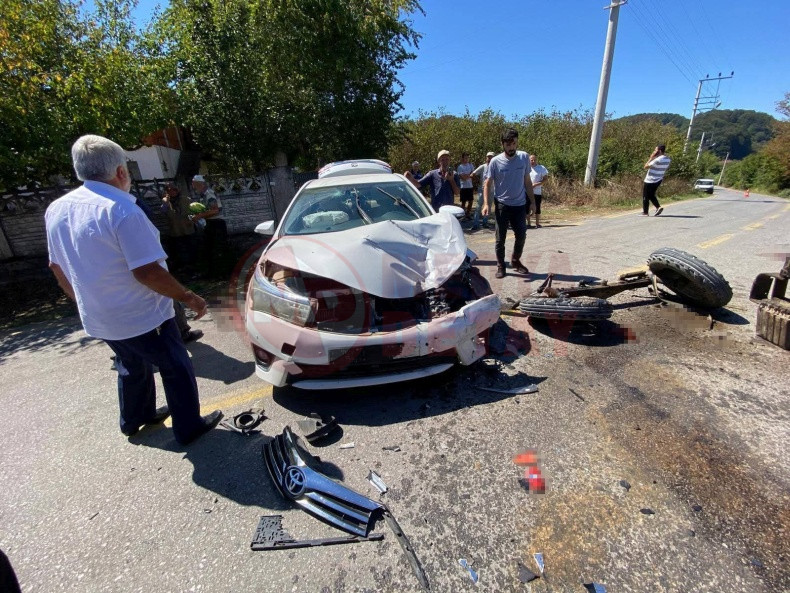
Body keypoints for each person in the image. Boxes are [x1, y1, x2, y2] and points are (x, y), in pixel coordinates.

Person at [45, 135, 222, 444]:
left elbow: (56, 267)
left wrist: (85, 302)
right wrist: (188, 297)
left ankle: (134, 419)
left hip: (100, 318)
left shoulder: (57, 210)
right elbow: (147, 271)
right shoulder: (122, 211)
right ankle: (189, 426)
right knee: (175, 367)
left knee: (131, 364)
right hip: (141, 317)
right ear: (121, 172)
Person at [482, 129, 535, 279]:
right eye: (508, 144)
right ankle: (501, 266)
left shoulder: (524, 157)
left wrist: (532, 202)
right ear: (502, 144)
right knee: (500, 239)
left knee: (521, 236)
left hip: (519, 205)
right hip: (502, 206)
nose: (511, 147)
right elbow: (487, 184)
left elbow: (527, 181)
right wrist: (486, 204)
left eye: (514, 144)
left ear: (517, 142)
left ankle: (515, 261)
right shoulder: (495, 161)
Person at [191, 174, 228, 261]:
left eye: (195, 184)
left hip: (216, 224)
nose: (193, 186)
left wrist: (199, 216)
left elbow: (215, 210)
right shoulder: (203, 195)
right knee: (210, 249)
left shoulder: (209, 194)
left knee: (217, 249)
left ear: (201, 184)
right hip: (211, 224)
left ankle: (222, 270)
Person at [641, 144, 670, 216]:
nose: (654, 151)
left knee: (646, 196)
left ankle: (645, 212)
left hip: (650, 180)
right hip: (659, 179)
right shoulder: (667, 159)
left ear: (659, 151)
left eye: (655, 150)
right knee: (651, 195)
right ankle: (658, 207)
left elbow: (645, 166)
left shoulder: (657, 160)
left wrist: (651, 158)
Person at [471, 151, 495, 230]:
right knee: (478, 207)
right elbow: (473, 174)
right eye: (488, 157)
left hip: (491, 190)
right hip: (482, 190)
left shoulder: (496, 167)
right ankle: (475, 224)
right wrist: (477, 181)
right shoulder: (483, 166)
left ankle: (485, 222)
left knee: (488, 206)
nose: (489, 159)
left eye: (491, 157)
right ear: (486, 158)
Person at [527, 154, 549, 228]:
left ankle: (537, 223)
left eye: (534, 160)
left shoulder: (541, 168)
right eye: (531, 160)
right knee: (527, 207)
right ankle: (528, 223)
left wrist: (536, 184)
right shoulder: (526, 168)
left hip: (537, 191)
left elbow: (545, 179)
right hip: (527, 191)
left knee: (537, 207)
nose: (533, 161)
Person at [456, 152, 475, 219]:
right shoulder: (460, 167)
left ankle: (468, 214)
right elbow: (463, 178)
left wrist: (467, 175)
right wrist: (469, 175)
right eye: (465, 158)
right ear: (462, 158)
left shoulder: (471, 165)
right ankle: (462, 215)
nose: (467, 159)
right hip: (463, 186)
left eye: (468, 158)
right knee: (463, 202)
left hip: (470, 186)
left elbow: (473, 174)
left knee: (471, 201)